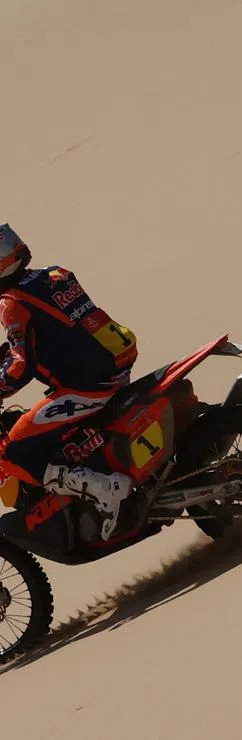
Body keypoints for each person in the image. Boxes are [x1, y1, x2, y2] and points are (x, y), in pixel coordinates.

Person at [0, 224, 138, 540]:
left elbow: (22, 365)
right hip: (115, 366)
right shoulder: (55, 275)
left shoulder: (10, 302)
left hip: (87, 387)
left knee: (16, 451)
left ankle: (105, 489)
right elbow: (53, 328)